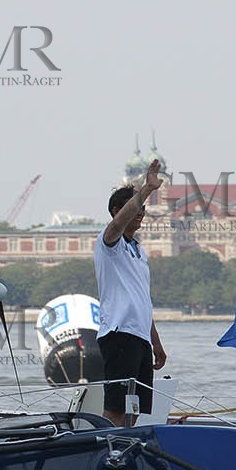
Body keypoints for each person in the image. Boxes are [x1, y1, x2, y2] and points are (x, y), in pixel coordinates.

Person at [94, 158, 168, 427]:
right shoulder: (109, 243)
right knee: (115, 407)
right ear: (117, 210)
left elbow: (142, 300)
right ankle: (106, 451)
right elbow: (115, 227)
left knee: (135, 409)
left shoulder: (138, 250)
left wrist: (155, 342)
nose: (140, 213)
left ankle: (125, 454)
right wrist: (146, 189)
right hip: (119, 334)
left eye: (143, 208)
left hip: (140, 338)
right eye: (135, 207)